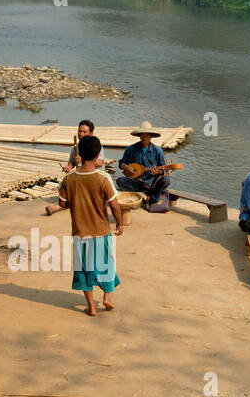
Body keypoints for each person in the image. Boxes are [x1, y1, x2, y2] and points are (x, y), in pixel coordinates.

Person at [57, 135, 122, 316]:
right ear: (97, 156)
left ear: (80, 154)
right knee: (106, 265)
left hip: (80, 232)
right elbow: (115, 205)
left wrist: (76, 202)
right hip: (101, 231)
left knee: (83, 268)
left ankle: (91, 307)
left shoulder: (69, 179)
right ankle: (107, 298)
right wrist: (119, 223)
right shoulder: (103, 178)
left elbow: (62, 204)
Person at [46, 119, 104, 216]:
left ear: (91, 133)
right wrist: (68, 167)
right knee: (63, 186)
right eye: (79, 131)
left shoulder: (96, 146)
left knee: (80, 192)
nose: (81, 134)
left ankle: (59, 207)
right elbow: (72, 162)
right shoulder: (76, 148)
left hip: (95, 178)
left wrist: (82, 160)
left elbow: (100, 163)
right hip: (81, 178)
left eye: (84, 132)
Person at [117, 121, 172, 211]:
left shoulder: (157, 151)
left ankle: (151, 198)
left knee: (166, 180)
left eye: (147, 135)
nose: (145, 138)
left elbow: (164, 169)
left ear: (151, 136)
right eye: (142, 135)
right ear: (139, 136)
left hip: (152, 182)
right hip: (137, 182)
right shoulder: (131, 149)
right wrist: (126, 167)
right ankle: (138, 198)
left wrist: (158, 172)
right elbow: (121, 163)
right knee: (120, 180)